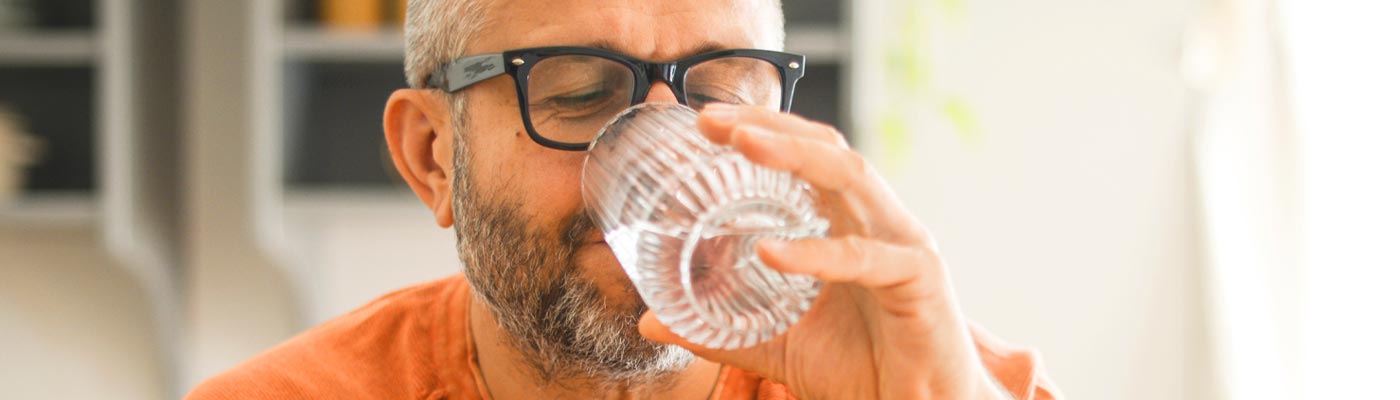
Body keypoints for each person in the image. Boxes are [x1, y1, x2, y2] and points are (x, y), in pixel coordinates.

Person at [187, 0, 1061, 399]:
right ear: (431, 156)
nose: (670, 149)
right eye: (576, 93)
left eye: (722, 89)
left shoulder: (952, 382)